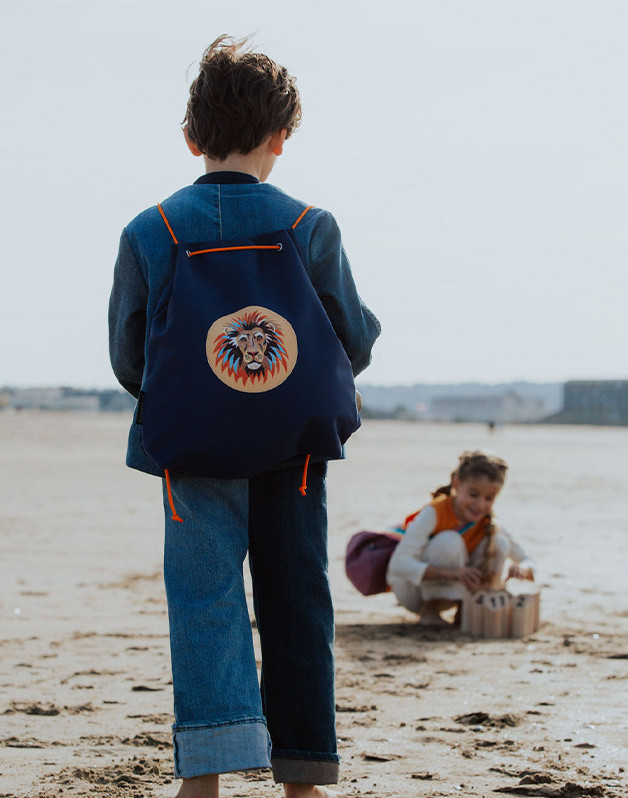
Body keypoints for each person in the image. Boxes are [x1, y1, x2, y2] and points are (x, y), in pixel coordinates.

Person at [108, 35, 380, 798]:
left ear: (191, 138)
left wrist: (201, 397)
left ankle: (205, 774)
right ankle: (303, 776)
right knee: (297, 598)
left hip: (190, 451)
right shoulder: (310, 225)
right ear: (281, 139)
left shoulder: (150, 231)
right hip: (291, 448)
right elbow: (350, 339)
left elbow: (129, 356)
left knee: (204, 600)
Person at [387, 451, 534, 625]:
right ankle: (430, 610)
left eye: (489, 498)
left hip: (457, 590)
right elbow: (398, 564)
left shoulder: (488, 520)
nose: (480, 505)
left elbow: (527, 560)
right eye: (473, 494)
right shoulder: (434, 512)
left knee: (499, 542)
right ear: (456, 484)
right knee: (449, 541)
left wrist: (522, 569)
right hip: (413, 592)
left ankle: (468, 608)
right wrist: (452, 573)